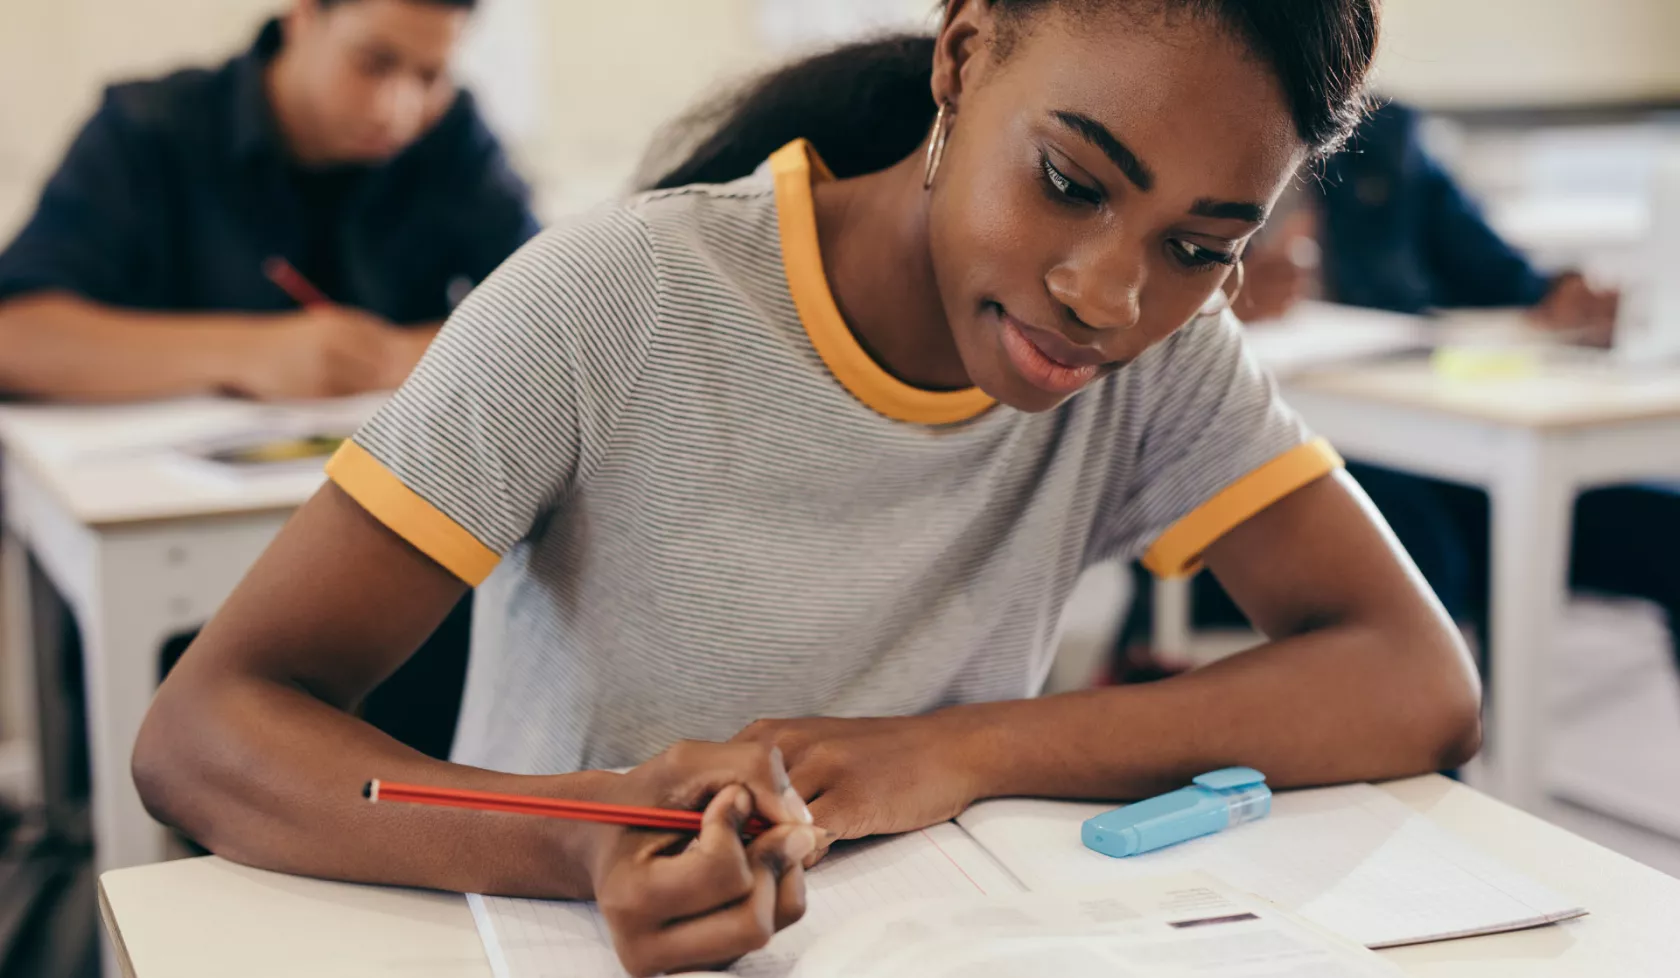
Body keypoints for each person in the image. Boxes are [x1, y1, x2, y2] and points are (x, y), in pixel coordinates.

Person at [133, 3, 1481, 975]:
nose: (1110, 297)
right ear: (963, 56)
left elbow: (1415, 680)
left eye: (1200, 246)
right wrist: (577, 842)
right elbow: (202, 732)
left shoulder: (1165, 356)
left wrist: (955, 751)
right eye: (1070, 181)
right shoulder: (622, 297)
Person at [1174, 100, 1678, 678]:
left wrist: (1562, 296)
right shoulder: (1192, 116)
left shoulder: (1387, 133)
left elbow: (1498, 273)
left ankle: (1448, 750)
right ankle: (1427, 755)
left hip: (1435, 450)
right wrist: (1216, 293)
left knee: (1665, 530)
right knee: (1414, 547)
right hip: (1276, 457)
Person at [0, 0, 539, 402]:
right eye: (373, 64)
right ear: (302, 17)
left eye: (430, 74)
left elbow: (555, 313)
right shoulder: (148, 130)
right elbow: (16, 335)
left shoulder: (453, 134)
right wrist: (248, 354)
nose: (398, 110)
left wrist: (395, 357)